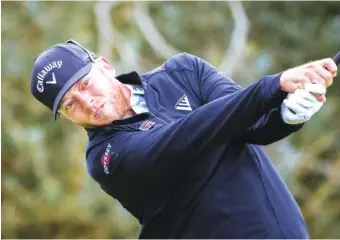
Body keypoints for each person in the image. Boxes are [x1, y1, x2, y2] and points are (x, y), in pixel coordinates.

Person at [30, 40, 337, 238]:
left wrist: (288, 115)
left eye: (85, 84)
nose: (87, 102)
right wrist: (271, 88)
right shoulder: (105, 158)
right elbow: (181, 139)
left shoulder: (184, 71)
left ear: (106, 66)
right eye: (70, 104)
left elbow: (253, 126)